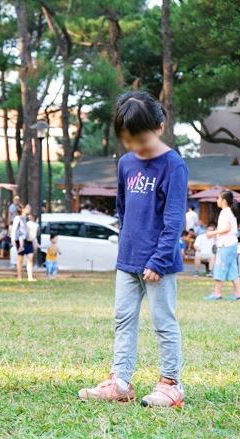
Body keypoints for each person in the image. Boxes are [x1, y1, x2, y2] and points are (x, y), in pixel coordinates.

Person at [79, 91, 187, 408]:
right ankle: (120, 382)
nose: (136, 145)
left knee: (162, 321)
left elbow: (173, 219)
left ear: (160, 127)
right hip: (127, 261)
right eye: (129, 138)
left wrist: (158, 258)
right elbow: (123, 209)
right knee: (123, 320)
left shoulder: (173, 165)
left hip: (159, 264)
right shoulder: (126, 163)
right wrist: (129, 248)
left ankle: (171, 383)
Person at [204, 191, 240, 301]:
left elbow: (226, 229)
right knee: (232, 269)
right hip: (232, 243)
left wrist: (212, 233)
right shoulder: (229, 212)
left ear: (224, 201)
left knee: (220, 267)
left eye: (218, 198)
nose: (217, 200)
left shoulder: (225, 212)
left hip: (225, 244)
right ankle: (238, 293)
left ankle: (217, 293)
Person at [12, 207, 38, 282]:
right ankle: (19, 277)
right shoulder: (18, 218)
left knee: (30, 257)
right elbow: (14, 229)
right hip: (20, 240)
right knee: (20, 259)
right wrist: (13, 239)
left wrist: (34, 240)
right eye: (27, 208)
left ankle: (30, 277)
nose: (29, 209)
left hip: (28, 239)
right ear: (22, 209)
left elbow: (32, 230)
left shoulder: (28, 218)